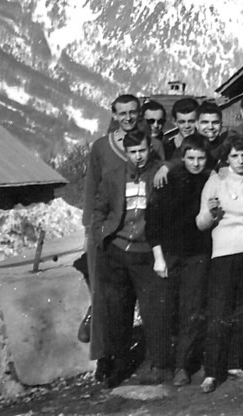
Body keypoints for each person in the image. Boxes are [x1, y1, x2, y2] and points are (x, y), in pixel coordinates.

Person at [82, 94, 164, 382]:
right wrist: (93, 232)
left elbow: (162, 177)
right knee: (109, 304)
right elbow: (93, 189)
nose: (128, 117)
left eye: (133, 112)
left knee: (147, 304)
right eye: (122, 113)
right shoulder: (102, 147)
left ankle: (151, 361)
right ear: (114, 115)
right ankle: (107, 359)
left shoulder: (152, 145)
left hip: (142, 241)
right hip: (109, 237)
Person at [196, 134, 243, 393]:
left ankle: (236, 363)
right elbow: (201, 223)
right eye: (234, 155)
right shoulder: (215, 183)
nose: (239, 160)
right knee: (219, 311)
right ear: (227, 158)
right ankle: (212, 371)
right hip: (223, 252)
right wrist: (212, 213)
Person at [145, 134, 212, 387]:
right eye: (191, 158)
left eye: (201, 158)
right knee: (163, 310)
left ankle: (183, 366)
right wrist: (158, 258)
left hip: (197, 254)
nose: (195, 163)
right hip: (169, 254)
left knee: (191, 311)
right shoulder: (168, 180)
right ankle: (161, 363)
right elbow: (153, 222)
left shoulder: (210, 180)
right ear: (182, 158)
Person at [153, 102, 224, 187]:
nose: (210, 127)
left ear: (221, 124)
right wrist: (166, 167)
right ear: (197, 124)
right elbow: (178, 159)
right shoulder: (189, 143)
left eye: (215, 122)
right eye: (205, 122)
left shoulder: (226, 143)